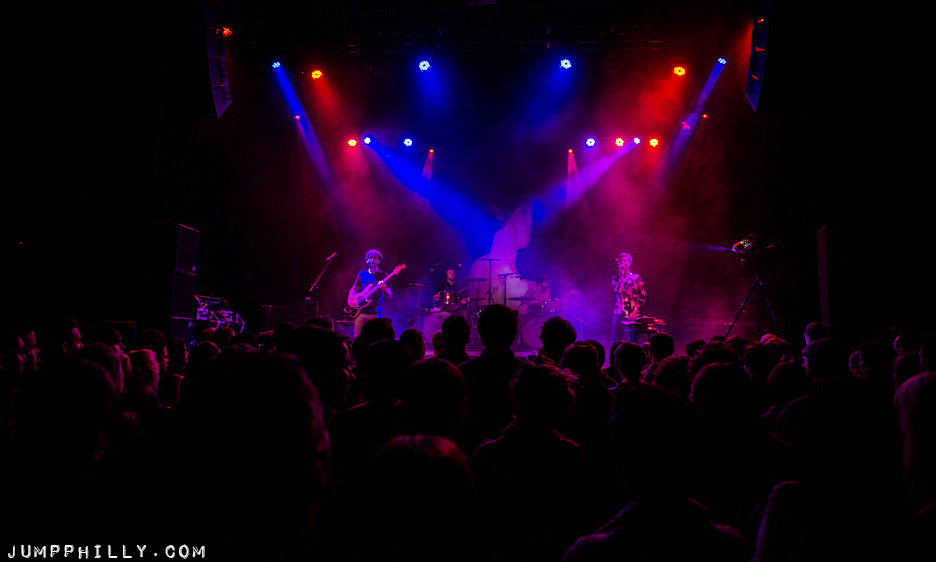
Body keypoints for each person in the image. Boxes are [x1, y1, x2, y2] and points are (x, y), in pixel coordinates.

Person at [348, 249, 393, 338]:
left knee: (373, 338)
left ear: (379, 261)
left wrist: (384, 290)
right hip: (359, 313)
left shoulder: (384, 276)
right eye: (370, 257)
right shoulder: (361, 274)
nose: (372, 259)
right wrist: (350, 300)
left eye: (375, 258)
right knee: (358, 338)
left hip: (374, 313)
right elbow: (353, 289)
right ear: (367, 260)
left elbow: (389, 295)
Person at [611, 253, 646, 343]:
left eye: (624, 260)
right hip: (619, 312)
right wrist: (622, 276)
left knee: (633, 341)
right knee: (616, 341)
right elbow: (618, 291)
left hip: (633, 313)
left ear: (629, 263)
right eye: (619, 261)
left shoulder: (636, 277)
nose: (621, 262)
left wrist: (635, 310)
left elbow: (642, 296)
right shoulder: (615, 278)